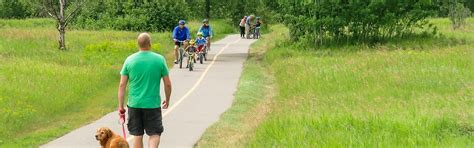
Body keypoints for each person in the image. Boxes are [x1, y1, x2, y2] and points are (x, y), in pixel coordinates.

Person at [118, 33, 172, 148]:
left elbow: (122, 85)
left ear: (138, 44)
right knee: (154, 133)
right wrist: (167, 99)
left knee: (137, 135)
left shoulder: (129, 60)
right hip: (152, 104)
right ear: (150, 44)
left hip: (134, 104)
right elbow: (167, 84)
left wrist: (121, 106)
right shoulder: (159, 59)